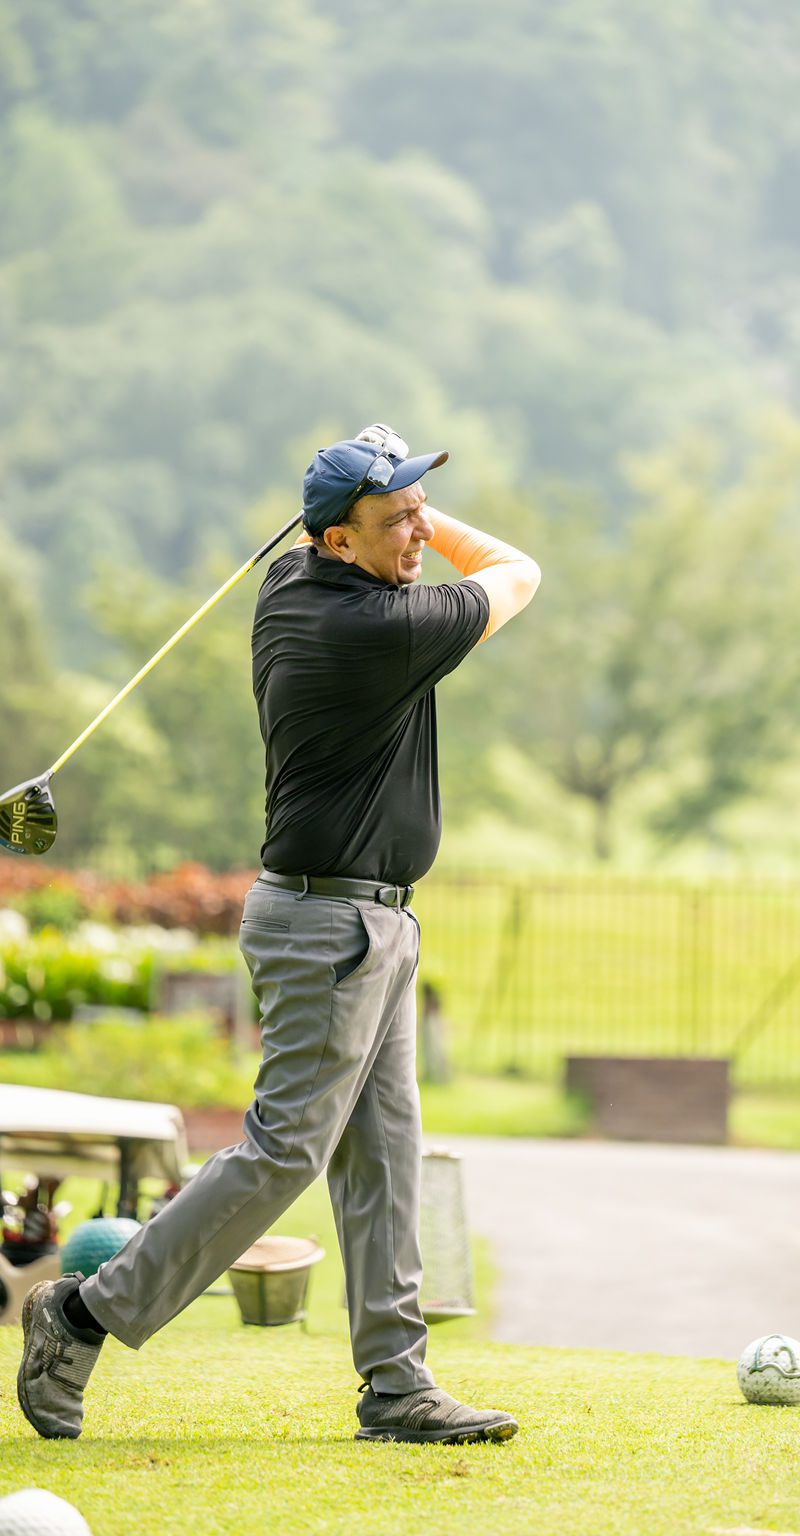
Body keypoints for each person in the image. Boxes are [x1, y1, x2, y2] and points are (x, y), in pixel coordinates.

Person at [17, 425, 541, 1445]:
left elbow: (334, 535)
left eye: (421, 512)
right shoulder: (378, 629)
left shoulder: (294, 582)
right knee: (286, 1150)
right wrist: (432, 524)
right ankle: (81, 1314)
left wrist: (382, 498)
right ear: (338, 541)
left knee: (384, 1155)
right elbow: (518, 571)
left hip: (371, 920)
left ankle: (396, 1385)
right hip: (330, 925)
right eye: (398, 520)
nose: (419, 533)